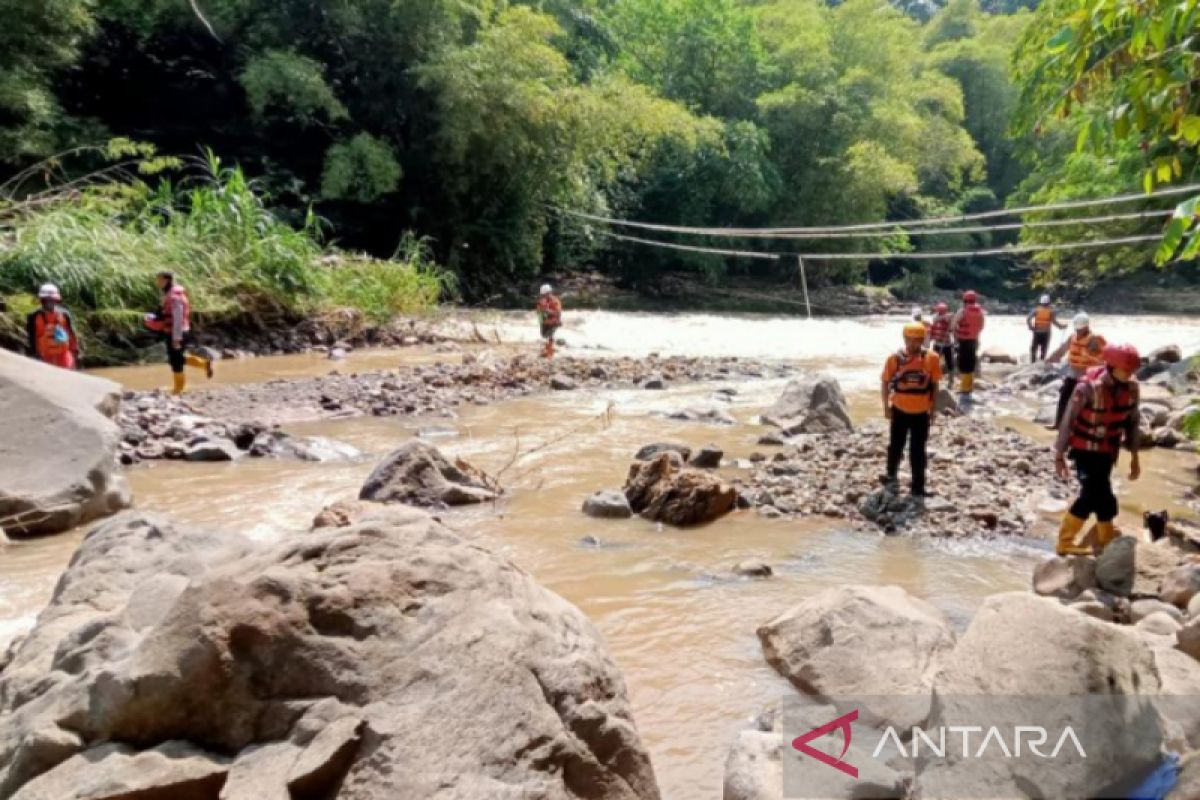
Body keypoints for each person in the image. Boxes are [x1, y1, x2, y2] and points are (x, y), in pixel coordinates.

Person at [1053, 344, 1141, 555]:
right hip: (1085, 449)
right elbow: (1068, 420)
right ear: (1111, 366)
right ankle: (1066, 541)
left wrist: (1135, 456)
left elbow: (1132, 422)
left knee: (1101, 495)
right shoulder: (1088, 387)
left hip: (1108, 451)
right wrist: (1059, 454)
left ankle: (1104, 539)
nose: (1128, 374)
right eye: (1125, 370)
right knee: (1095, 494)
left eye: (1131, 371)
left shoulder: (1132, 387)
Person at [881, 322, 943, 497]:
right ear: (904, 338)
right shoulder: (894, 358)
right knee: (895, 445)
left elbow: (935, 385)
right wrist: (886, 406)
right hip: (899, 410)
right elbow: (885, 382)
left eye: (918, 340)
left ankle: (918, 486)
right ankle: (891, 475)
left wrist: (934, 408)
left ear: (923, 340)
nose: (914, 343)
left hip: (921, 413)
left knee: (918, 450)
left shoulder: (932, 358)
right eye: (910, 339)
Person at [144, 271, 213, 394]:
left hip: (177, 333)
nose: (157, 282)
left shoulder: (175, 297)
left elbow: (178, 318)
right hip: (173, 331)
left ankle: (178, 388)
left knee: (175, 360)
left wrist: (176, 338)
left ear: (166, 280)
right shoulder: (169, 294)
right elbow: (164, 313)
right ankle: (204, 364)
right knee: (177, 358)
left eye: (159, 280)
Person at [1049, 312, 1106, 430]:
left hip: (1087, 374)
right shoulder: (1073, 336)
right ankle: (1058, 423)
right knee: (1064, 396)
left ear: (1086, 327)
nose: (1078, 332)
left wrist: (1090, 356)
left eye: (1081, 330)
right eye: (1077, 329)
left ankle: (1078, 427)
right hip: (1073, 372)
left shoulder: (1095, 339)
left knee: (1081, 401)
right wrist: (1050, 359)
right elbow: (1062, 350)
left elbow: (1104, 357)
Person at [26, 283, 80, 369]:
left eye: (52, 299)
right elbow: (31, 340)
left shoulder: (64, 314)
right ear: (41, 300)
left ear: (56, 300)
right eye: (46, 300)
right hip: (44, 359)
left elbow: (71, 335)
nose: (49, 302)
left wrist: (76, 353)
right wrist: (34, 357)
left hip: (64, 358)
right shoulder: (33, 316)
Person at [950, 290, 985, 397]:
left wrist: (955, 334)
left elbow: (953, 325)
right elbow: (981, 326)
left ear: (964, 300)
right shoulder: (980, 311)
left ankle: (964, 388)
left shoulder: (963, 311)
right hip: (974, 340)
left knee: (963, 363)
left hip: (963, 341)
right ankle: (969, 386)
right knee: (971, 363)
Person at [1026, 293, 1065, 362]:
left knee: (1034, 348)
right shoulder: (1051, 311)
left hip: (1037, 332)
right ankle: (1041, 362)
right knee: (1043, 349)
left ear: (1041, 302)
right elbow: (1054, 322)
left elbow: (1028, 319)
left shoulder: (1036, 310)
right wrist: (1061, 327)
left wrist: (1031, 327)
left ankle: (1032, 362)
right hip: (1046, 333)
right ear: (1048, 303)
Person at [929, 302, 954, 381]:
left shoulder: (949, 318)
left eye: (941, 311)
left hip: (946, 344)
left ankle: (951, 379)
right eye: (939, 311)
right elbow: (935, 319)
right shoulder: (936, 318)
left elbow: (949, 318)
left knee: (949, 361)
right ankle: (934, 377)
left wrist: (948, 317)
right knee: (934, 361)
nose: (940, 312)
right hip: (937, 343)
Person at [536, 283, 562, 359]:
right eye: (544, 295)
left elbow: (558, 312)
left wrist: (547, 311)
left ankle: (550, 353)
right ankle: (547, 351)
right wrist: (541, 321)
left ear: (550, 293)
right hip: (545, 322)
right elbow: (539, 313)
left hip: (554, 321)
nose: (545, 296)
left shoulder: (555, 301)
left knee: (550, 336)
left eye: (546, 294)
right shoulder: (541, 302)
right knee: (544, 335)